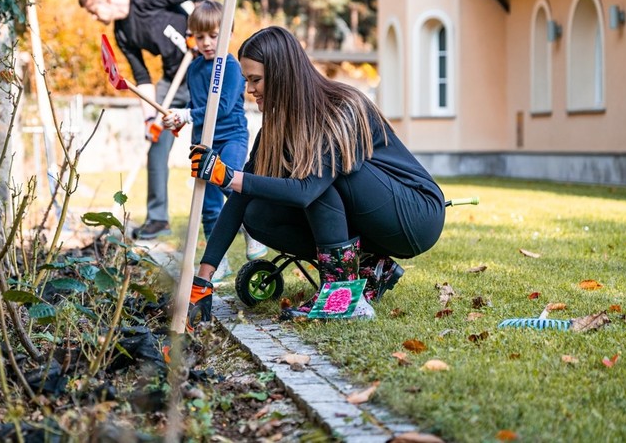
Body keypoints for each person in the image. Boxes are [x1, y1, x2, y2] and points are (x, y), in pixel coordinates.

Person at [187, 26, 445, 324]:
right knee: (257, 213)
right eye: (247, 80)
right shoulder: (275, 130)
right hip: (374, 217)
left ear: (281, 74)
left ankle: (342, 296)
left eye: (255, 79)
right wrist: (203, 280)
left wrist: (228, 176)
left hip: (415, 214)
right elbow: (242, 198)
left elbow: (308, 190)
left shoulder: (341, 108)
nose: (249, 89)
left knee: (320, 180)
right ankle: (370, 266)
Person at [79, 0, 212, 240]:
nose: (94, 18)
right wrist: (150, 117)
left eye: (93, 11)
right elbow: (142, 78)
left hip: (205, 72)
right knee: (156, 141)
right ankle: (158, 218)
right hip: (173, 79)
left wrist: (196, 31)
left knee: (210, 145)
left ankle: (231, 213)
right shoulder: (122, 33)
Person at [161, 1, 268, 282]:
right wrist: (178, 119)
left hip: (231, 135)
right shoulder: (195, 68)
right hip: (203, 143)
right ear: (192, 37)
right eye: (200, 37)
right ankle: (217, 261)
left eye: (214, 36)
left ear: (228, 34)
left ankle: (253, 232)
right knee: (208, 203)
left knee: (228, 181)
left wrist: (187, 115)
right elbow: (196, 106)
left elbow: (219, 107)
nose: (207, 43)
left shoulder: (231, 67)